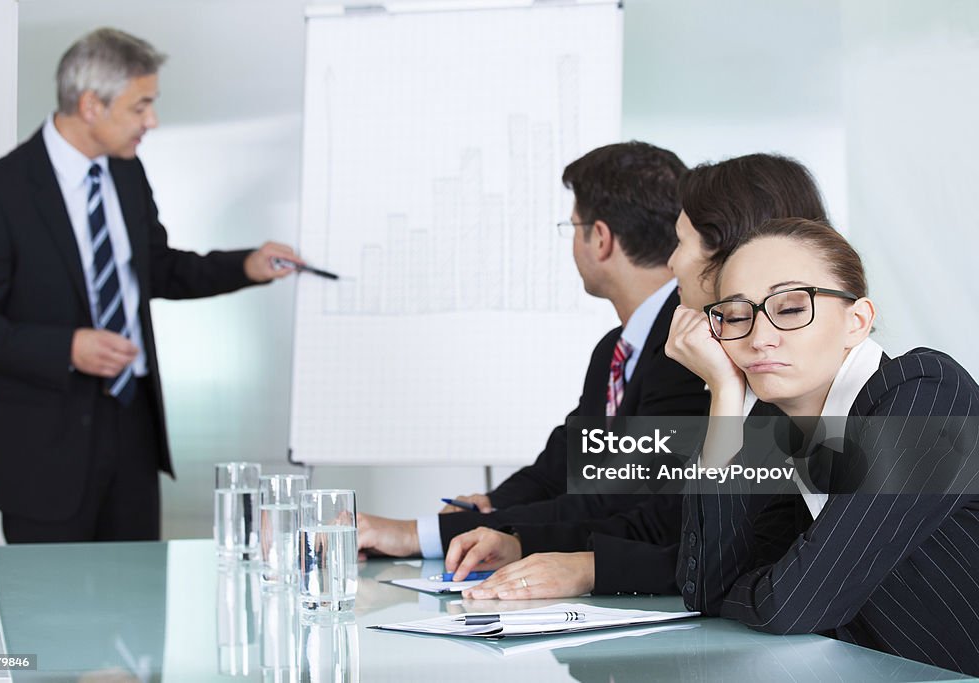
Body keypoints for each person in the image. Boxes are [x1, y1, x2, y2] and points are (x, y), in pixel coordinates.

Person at [0, 28, 303, 543]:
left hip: (133, 434)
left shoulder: (126, 173)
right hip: (44, 454)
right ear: (91, 105)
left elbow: (156, 269)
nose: (152, 121)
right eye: (140, 106)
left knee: (137, 609)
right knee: (52, 615)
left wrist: (245, 265)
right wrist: (67, 347)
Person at [458, 153, 832, 600]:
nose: (671, 265)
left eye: (680, 243)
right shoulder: (732, 378)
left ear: (728, 251)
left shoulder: (871, 390)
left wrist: (589, 568)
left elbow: (763, 580)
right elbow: (706, 551)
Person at [357, 141, 710, 593]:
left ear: (600, 238)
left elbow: (621, 498)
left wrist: (416, 534)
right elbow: (563, 465)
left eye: (573, 226)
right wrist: (488, 507)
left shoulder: (685, 349)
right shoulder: (615, 349)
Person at [668, 218, 979, 675]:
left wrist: (769, 587)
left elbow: (792, 606)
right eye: (736, 316)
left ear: (857, 321)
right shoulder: (777, 436)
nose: (759, 337)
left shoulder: (928, 394)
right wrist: (725, 397)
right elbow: (708, 591)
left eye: (792, 309)